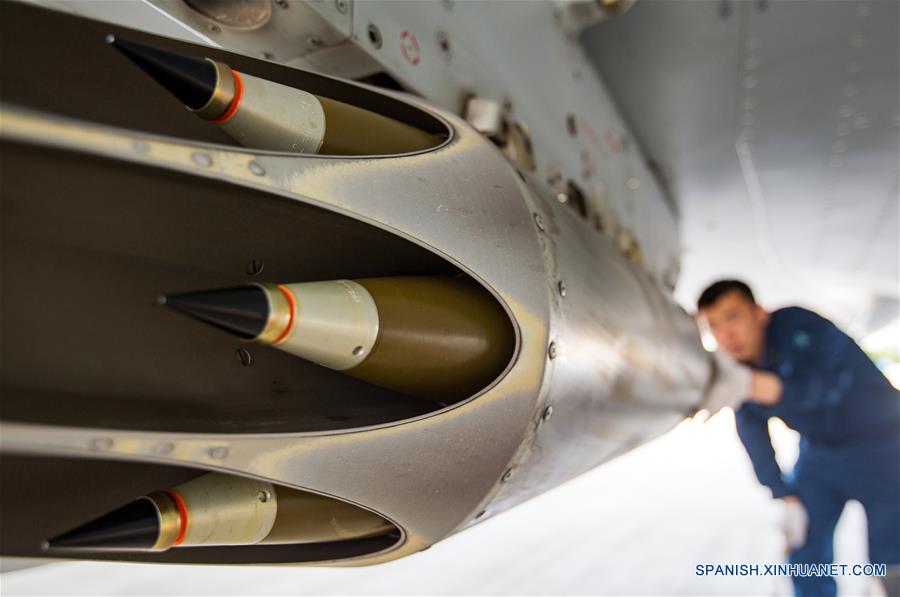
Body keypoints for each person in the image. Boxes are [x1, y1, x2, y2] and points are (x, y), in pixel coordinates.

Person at [696, 279, 900, 597]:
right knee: (804, 552)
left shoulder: (799, 327)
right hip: (820, 452)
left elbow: (827, 388)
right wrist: (782, 492)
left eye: (733, 316)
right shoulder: (739, 370)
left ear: (759, 313)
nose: (726, 334)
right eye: (714, 325)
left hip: (885, 446)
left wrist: (752, 383)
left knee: (892, 561)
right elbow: (751, 430)